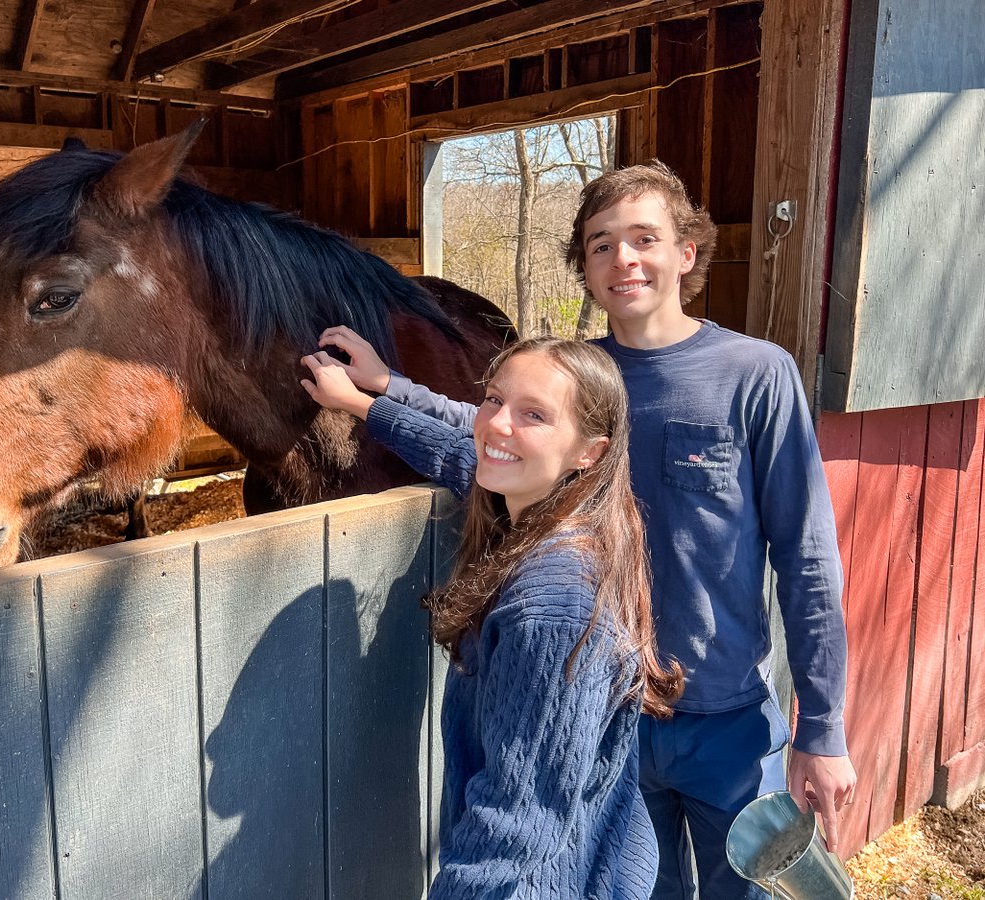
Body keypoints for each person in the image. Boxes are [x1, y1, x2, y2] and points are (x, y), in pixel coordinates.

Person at [303, 161, 856, 899]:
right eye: (601, 245)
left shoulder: (755, 374)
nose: (623, 260)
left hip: (724, 725)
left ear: (685, 252)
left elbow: (807, 558)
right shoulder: (580, 382)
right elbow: (490, 441)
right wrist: (382, 393)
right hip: (609, 728)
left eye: (643, 239)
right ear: (584, 269)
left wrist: (822, 728)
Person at [302, 336, 684, 898]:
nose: (496, 425)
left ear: (589, 452)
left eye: (534, 414)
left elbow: (518, 817)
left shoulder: (553, 606)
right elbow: (465, 455)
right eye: (493, 400)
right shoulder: (570, 514)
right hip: (587, 860)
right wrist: (368, 401)